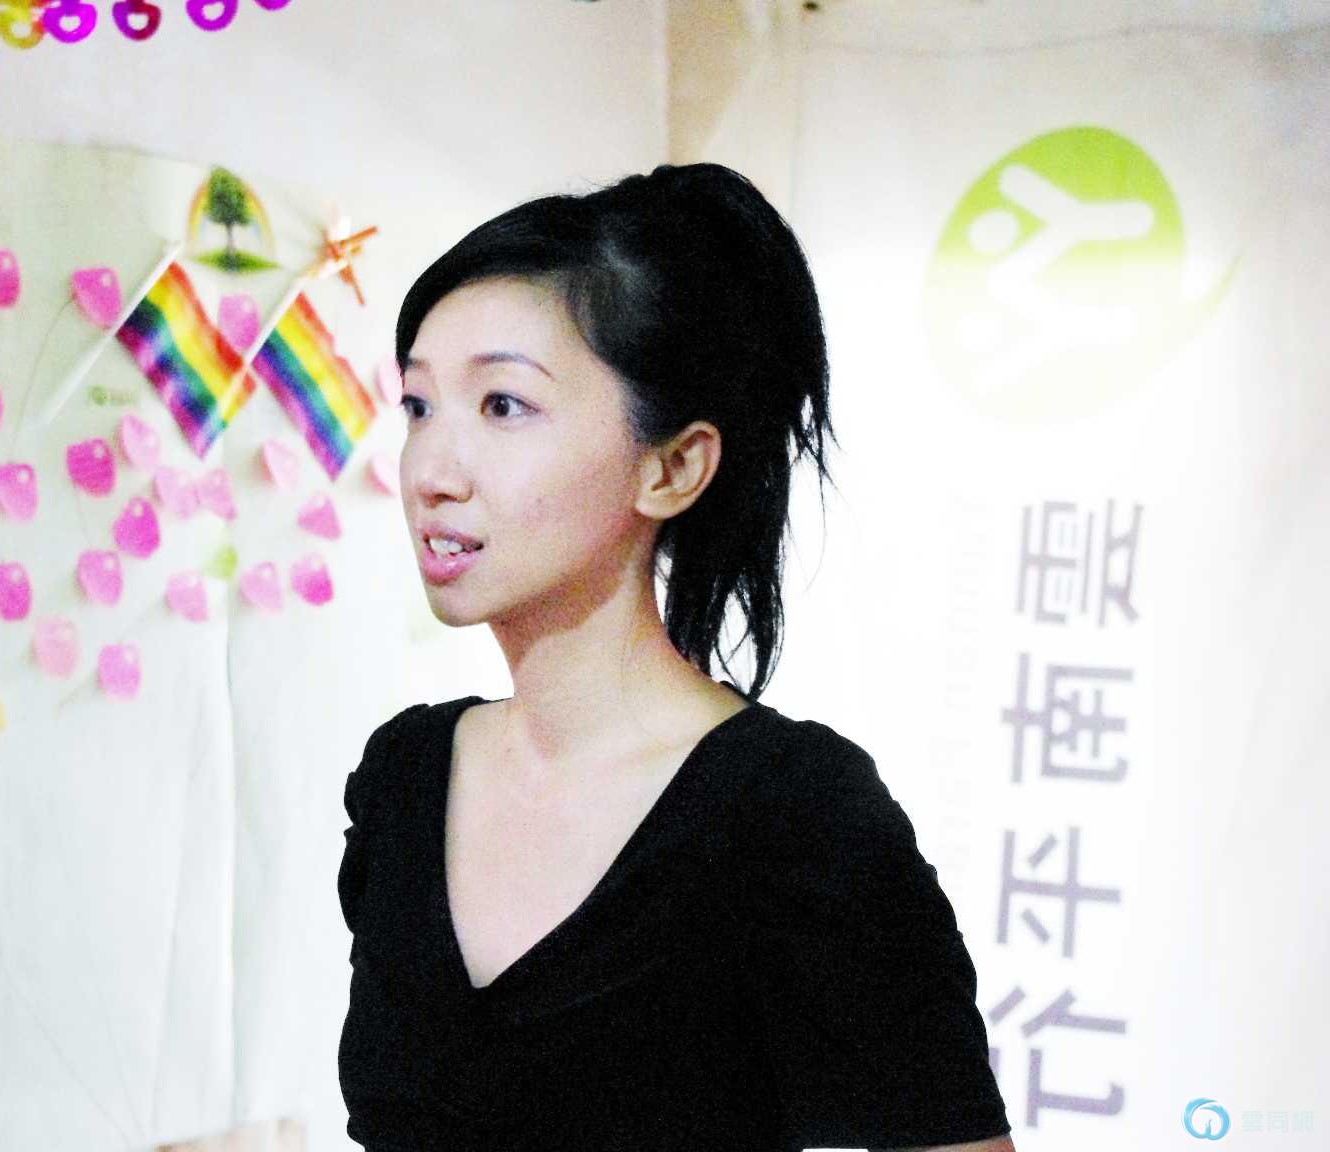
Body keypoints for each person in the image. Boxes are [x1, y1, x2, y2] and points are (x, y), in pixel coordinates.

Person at [337, 163, 1016, 1152]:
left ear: (672, 467)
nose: (431, 472)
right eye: (417, 405)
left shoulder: (797, 818)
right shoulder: (404, 780)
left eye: (503, 406)